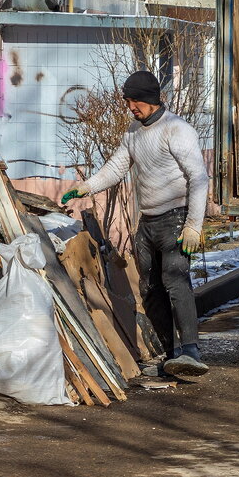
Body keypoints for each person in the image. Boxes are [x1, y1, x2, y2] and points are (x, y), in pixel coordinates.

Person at [60, 71, 211, 377]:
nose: (130, 106)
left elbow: (198, 177)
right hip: (149, 222)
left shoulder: (177, 130)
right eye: (128, 101)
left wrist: (194, 224)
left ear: (151, 99)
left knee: (175, 280)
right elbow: (117, 166)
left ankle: (191, 351)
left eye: (134, 100)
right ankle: (172, 355)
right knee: (150, 288)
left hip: (176, 218)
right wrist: (87, 186)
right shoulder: (133, 132)